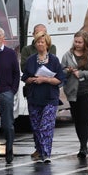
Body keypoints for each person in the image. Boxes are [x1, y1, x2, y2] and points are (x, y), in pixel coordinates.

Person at [21, 31, 64, 163]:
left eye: (42, 42)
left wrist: (45, 79)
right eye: (38, 42)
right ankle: (39, 150)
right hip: (34, 97)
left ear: (47, 44)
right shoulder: (31, 60)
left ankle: (46, 154)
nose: (40, 44)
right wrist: (32, 79)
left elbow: (59, 79)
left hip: (50, 97)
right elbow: (25, 77)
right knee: (36, 127)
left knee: (46, 126)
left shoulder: (54, 60)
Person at [61, 30, 88, 158]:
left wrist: (83, 74)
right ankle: (82, 143)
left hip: (87, 91)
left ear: (85, 42)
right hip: (73, 92)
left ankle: (84, 146)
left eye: (80, 42)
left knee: (84, 119)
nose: (77, 44)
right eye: (76, 41)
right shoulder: (68, 55)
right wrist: (67, 70)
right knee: (77, 119)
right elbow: (61, 71)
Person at [0, 26, 20, 164]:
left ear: (3, 37)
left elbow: (16, 73)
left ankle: (9, 149)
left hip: (6, 92)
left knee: (7, 124)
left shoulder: (10, 53)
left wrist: (12, 91)